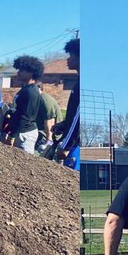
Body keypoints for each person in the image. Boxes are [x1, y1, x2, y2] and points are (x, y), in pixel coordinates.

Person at [5, 56, 44, 152]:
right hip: (18, 131)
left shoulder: (31, 92)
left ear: (31, 73)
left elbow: (26, 117)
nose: (18, 72)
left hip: (25, 133)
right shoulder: (25, 89)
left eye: (22, 70)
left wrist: (13, 136)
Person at [54, 38, 79, 169]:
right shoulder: (78, 81)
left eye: (71, 56)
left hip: (75, 146)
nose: (67, 60)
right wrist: (64, 125)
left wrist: (66, 146)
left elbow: (78, 118)